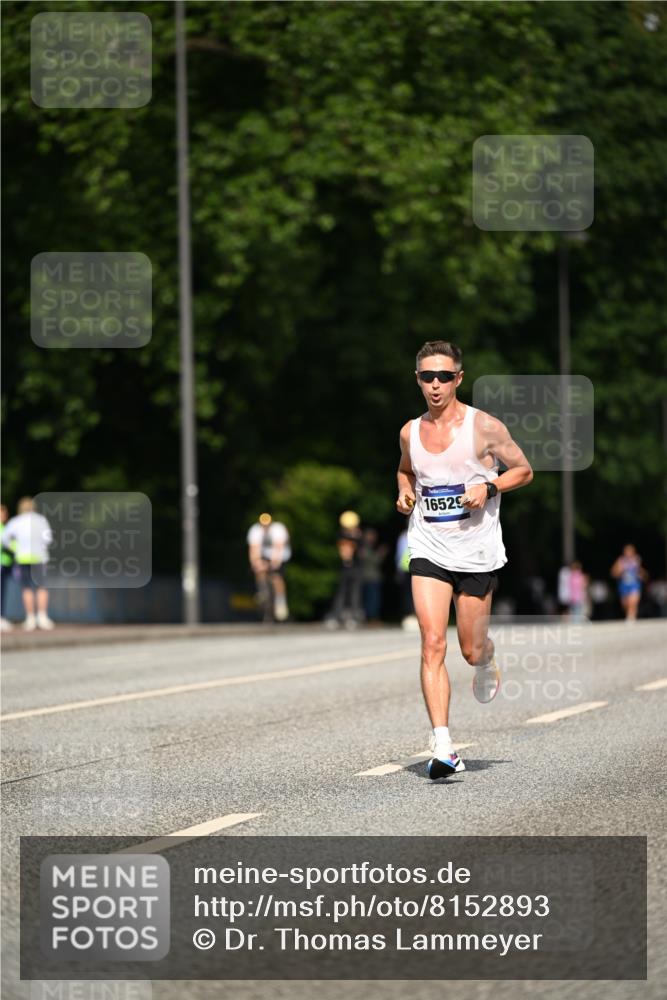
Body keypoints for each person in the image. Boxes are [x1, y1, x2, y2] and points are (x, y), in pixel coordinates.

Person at [396, 340, 533, 779]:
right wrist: (404, 490)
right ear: (417, 379)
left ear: (459, 378)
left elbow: (524, 470)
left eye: (443, 377)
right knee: (432, 642)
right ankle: (443, 745)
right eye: (426, 377)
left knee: (469, 650)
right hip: (430, 547)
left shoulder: (484, 427)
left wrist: (489, 487)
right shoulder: (410, 432)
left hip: (475, 552)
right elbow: (406, 469)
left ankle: (487, 655)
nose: (435, 385)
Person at [3, 496, 54, 631]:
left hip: (23, 558)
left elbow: (5, 539)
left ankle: (30, 618)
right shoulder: (41, 520)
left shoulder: (16, 521)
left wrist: (15, 548)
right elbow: (48, 539)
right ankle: (42, 617)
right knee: (41, 587)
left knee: (26, 588)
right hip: (39, 557)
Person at [246, 512, 291, 622]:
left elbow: (278, 548)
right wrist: (256, 563)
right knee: (259, 571)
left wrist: (273, 564)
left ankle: (280, 601)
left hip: (280, 555)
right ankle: (262, 591)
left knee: (276, 576)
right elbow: (253, 549)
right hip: (264, 555)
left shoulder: (278, 530)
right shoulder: (255, 530)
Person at [325, 511, 364, 628]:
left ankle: (353, 617)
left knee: (354, 593)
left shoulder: (359, 536)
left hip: (356, 568)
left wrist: (356, 536)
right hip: (344, 568)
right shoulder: (341, 535)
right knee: (341, 593)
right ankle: (336, 617)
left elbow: (361, 551)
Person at [610, 543, 646, 622]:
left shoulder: (637, 559)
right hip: (623, 585)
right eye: (626, 551)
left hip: (634, 584)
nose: (628, 552)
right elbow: (613, 573)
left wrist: (643, 575)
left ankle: (631, 617)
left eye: (630, 551)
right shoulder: (620, 560)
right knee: (625, 604)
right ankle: (629, 615)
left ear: (633, 552)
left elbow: (640, 571)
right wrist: (619, 571)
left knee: (632, 602)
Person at [359, 527, 387, 625]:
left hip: (371, 577)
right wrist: (380, 554)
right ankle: (371, 618)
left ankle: (371, 618)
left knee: (372, 599)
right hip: (370, 577)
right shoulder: (364, 548)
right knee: (372, 599)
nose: (373, 538)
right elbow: (373, 560)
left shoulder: (369, 547)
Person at [1, 504, 14, 631]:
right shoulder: (3, 529)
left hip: (5, 563)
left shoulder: (5, 527)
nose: (4, 516)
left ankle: (2, 617)